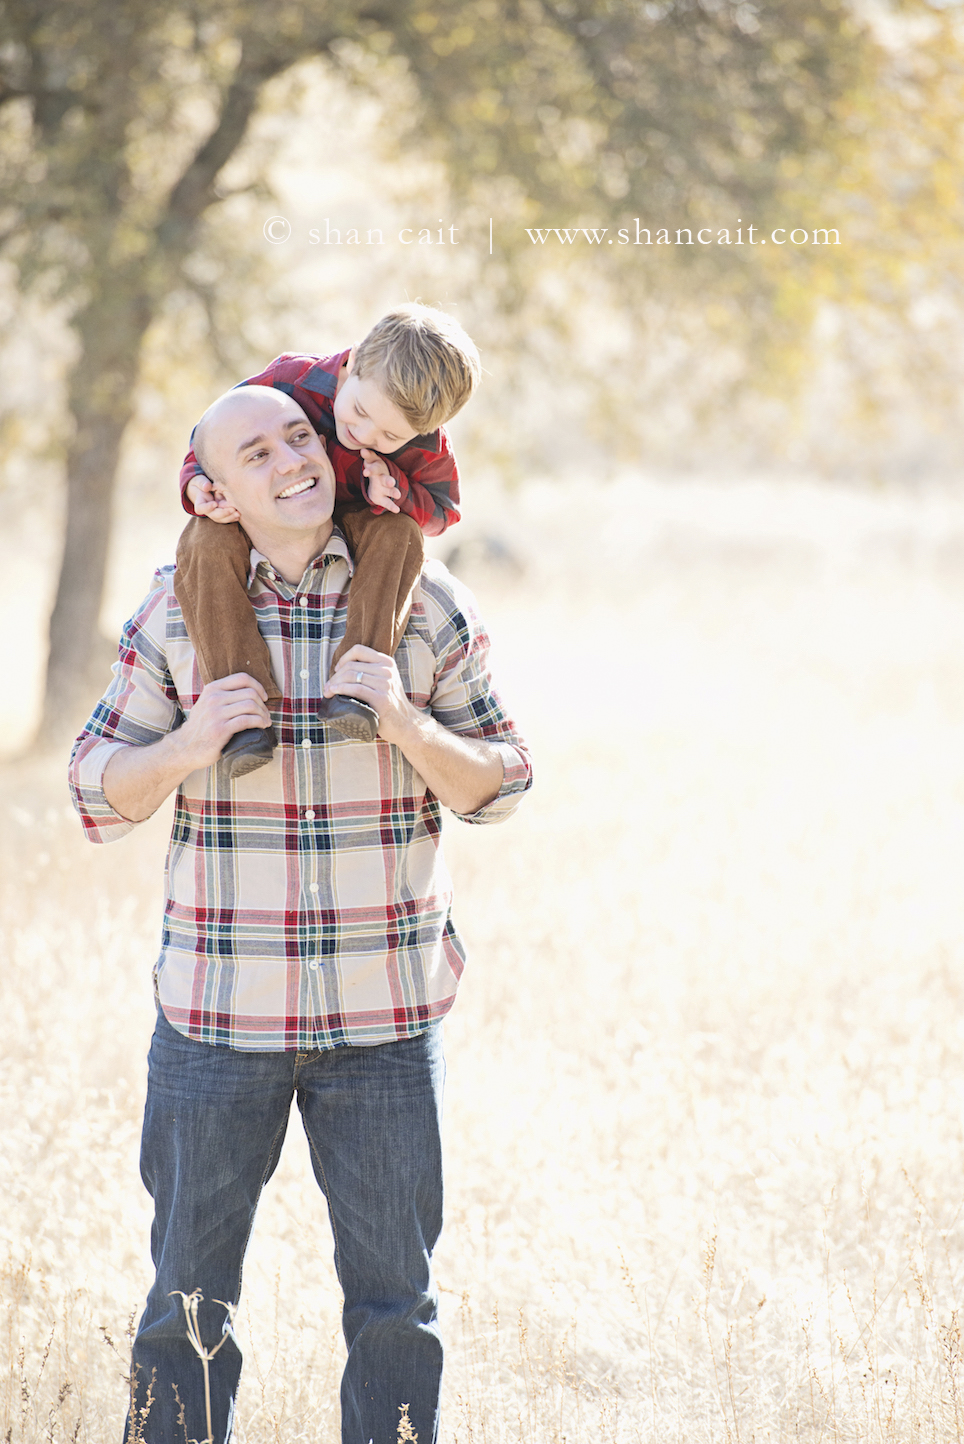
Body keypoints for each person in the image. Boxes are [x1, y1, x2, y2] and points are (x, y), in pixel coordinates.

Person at [68, 383, 532, 1444]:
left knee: (396, 1313)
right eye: (254, 449)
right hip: (217, 1025)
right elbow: (95, 791)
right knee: (187, 1308)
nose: (290, 457)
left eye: (297, 435)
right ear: (215, 493)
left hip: (385, 1023)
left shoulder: (423, 600)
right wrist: (189, 743)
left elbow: (503, 784)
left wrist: (407, 723)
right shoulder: (177, 609)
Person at [174, 303, 481, 775]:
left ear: (423, 432)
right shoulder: (292, 378)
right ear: (354, 361)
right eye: (359, 412)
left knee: (399, 534)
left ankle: (358, 685)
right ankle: (240, 713)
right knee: (202, 540)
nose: (361, 435)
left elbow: (442, 510)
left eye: (389, 435)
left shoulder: (427, 443)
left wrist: (397, 489)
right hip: (269, 515)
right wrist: (197, 483)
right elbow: (216, 431)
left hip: (358, 521)